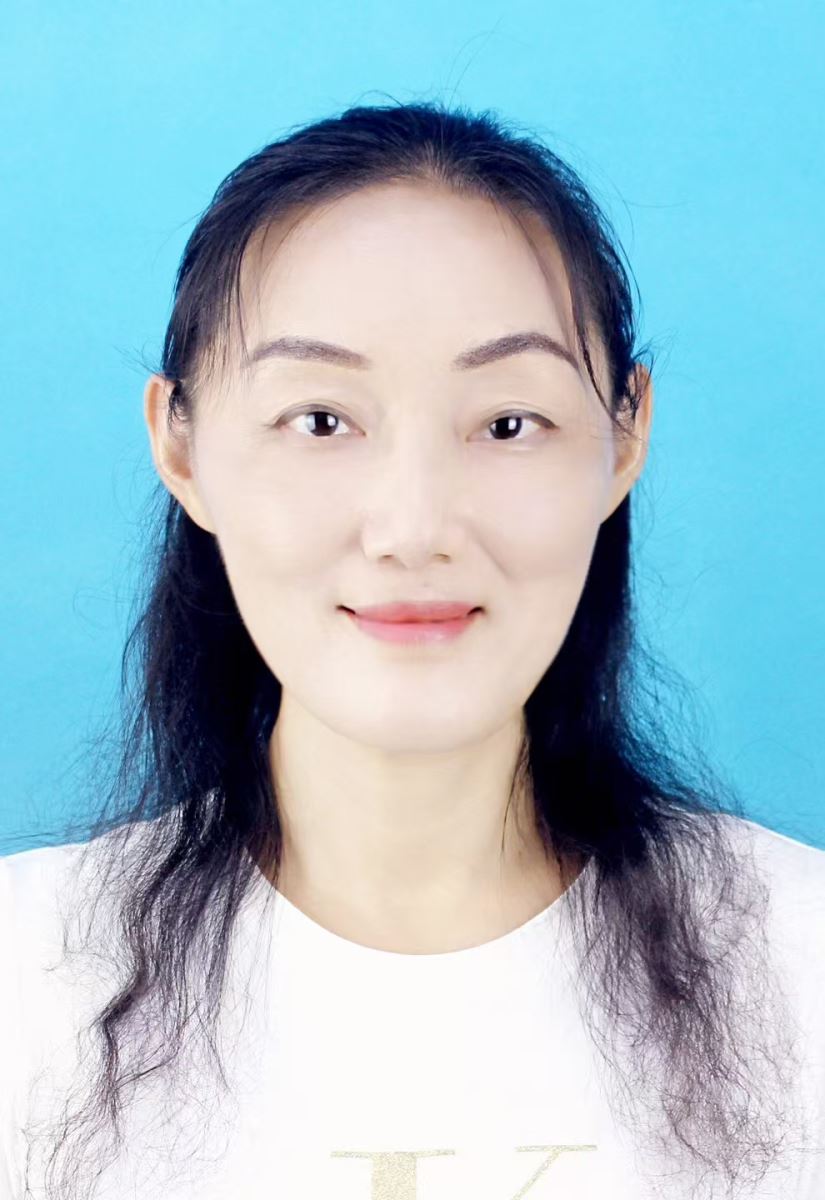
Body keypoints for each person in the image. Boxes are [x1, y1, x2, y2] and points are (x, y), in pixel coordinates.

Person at [1, 99, 823, 1200]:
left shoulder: (802, 965)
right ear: (179, 446)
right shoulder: (25, 984)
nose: (413, 528)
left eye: (507, 423)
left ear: (626, 435)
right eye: (321, 420)